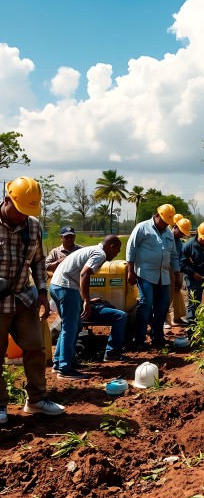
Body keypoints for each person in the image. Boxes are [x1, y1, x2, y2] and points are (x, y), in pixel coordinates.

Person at [0, 177, 65, 422]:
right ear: (7, 200)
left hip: (23, 300)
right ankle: (0, 405)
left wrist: (41, 291)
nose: (22, 217)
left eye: (28, 212)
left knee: (36, 349)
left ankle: (36, 399)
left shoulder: (33, 226)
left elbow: (39, 260)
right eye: (19, 211)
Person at [50, 235, 122, 378]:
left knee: (74, 325)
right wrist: (86, 301)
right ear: (111, 246)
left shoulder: (93, 250)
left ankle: (60, 362)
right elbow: (84, 274)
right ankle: (64, 369)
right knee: (70, 327)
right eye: (118, 250)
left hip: (58, 285)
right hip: (66, 287)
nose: (117, 253)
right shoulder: (100, 254)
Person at [126, 204, 181, 349]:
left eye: (168, 223)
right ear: (157, 216)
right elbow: (131, 249)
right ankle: (139, 339)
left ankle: (158, 337)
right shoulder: (142, 228)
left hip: (163, 275)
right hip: (145, 273)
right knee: (145, 305)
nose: (165, 225)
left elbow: (174, 256)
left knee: (162, 307)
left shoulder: (168, 233)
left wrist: (177, 275)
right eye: (164, 222)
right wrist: (130, 271)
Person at [180, 221, 204, 332]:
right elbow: (182, 263)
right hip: (194, 278)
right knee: (194, 303)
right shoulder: (188, 246)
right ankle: (192, 330)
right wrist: (193, 274)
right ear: (199, 234)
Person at [166, 217, 191, 327]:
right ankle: (165, 320)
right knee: (166, 296)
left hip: (177, 270)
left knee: (176, 292)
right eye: (180, 232)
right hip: (167, 270)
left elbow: (181, 257)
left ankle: (177, 317)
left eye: (183, 233)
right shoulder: (166, 237)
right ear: (175, 227)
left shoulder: (179, 243)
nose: (181, 234)